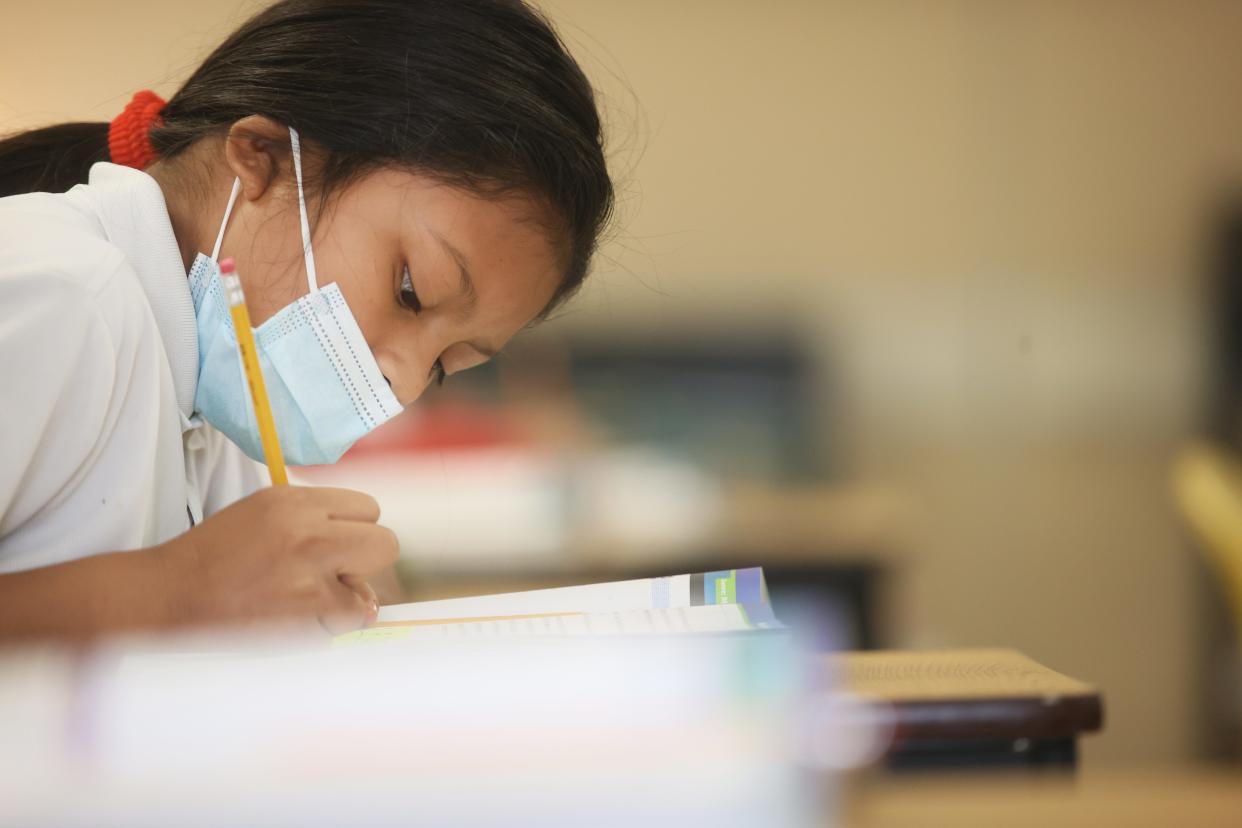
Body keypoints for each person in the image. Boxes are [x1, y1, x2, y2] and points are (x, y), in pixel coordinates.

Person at [0, 0, 613, 640]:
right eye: (410, 291)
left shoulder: (208, 422)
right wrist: (176, 591)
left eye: (442, 367)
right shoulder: (63, 297)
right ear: (262, 156)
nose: (400, 384)